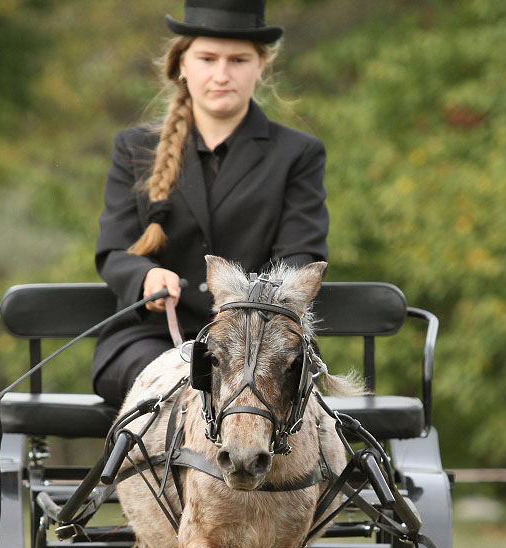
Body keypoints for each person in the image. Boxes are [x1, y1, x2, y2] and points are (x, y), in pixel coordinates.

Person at [93, 0, 329, 408]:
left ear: (261, 65)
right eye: (207, 58)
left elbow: (299, 255)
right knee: (178, 386)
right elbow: (114, 252)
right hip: (147, 338)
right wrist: (145, 277)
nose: (222, 74)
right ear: (182, 64)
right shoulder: (134, 148)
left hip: (262, 343)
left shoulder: (299, 153)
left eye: (238, 59)